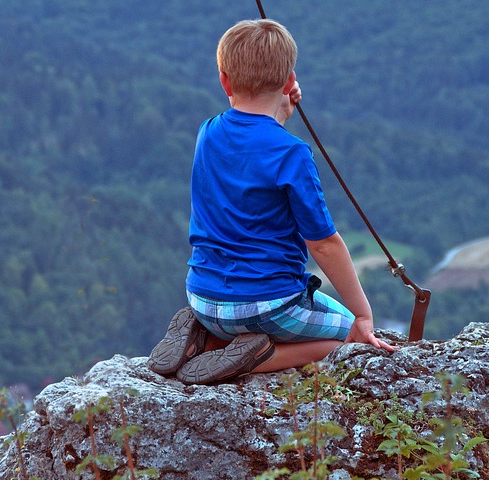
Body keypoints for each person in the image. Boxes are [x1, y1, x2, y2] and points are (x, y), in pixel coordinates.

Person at [147, 18, 395, 385]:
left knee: (245, 317)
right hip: (269, 307)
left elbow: (247, 134)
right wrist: (362, 315)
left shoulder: (208, 132)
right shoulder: (292, 154)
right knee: (351, 339)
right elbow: (323, 245)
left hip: (202, 297)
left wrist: (279, 107)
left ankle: (209, 337)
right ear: (290, 80)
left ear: (224, 80)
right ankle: (251, 358)